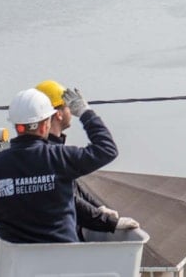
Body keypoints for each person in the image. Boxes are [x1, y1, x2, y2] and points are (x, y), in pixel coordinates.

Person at [0, 86, 118, 244]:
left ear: (17, 126)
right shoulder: (60, 158)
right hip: (64, 260)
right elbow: (107, 149)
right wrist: (85, 112)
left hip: (15, 263)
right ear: (45, 125)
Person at [35, 79, 139, 237]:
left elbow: (70, 186)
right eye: (68, 107)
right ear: (58, 114)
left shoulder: (42, 151)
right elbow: (107, 149)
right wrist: (85, 113)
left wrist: (98, 207)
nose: (71, 111)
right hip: (57, 242)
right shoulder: (52, 155)